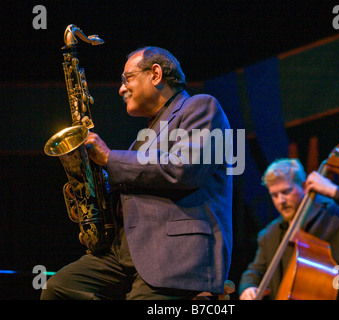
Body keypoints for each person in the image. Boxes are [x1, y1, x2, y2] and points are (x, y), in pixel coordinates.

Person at [41, 46, 233, 300]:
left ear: (155, 74)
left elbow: (184, 169)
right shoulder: (143, 139)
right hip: (125, 254)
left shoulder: (201, 107)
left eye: (127, 79)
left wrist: (109, 158)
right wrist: (92, 198)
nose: (121, 89)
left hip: (175, 257)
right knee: (59, 288)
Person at [239, 158, 339, 300]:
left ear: (304, 186)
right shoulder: (269, 233)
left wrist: (334, 191)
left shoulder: (335, 214)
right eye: (274, 195)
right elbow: (254, 271)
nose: (280, 201)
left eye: (286, 191)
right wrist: (248, 288)